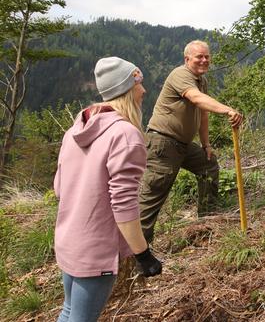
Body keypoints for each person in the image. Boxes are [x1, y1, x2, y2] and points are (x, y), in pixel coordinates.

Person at [54, 57, 162, 322]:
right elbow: (124, 204)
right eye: (139, 83)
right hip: (96, 249)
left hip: (68, 240)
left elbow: (59, 187)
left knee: (68, 311)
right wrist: (143, 253)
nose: (144, 91)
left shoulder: (75, 130)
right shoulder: (125, 135)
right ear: (126, 89)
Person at [139, 40, 243, 242]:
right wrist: (227, 109)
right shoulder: (181, 75)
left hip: (183, 145)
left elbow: (202, 113)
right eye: (199, 57)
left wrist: (206, 145)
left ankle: (207, 222)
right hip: (163, 143)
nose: (204, 60)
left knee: (208, 165)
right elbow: (196, 98)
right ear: (187, 59)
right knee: (152, 198)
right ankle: (136, 252)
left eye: (207, 57)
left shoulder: (201, 80)